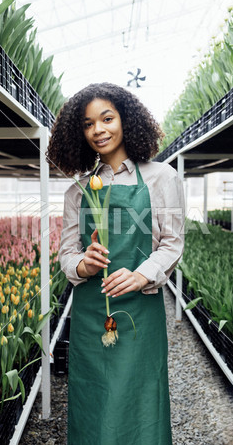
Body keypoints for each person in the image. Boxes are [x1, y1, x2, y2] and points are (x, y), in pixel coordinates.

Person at [46, 82, 185, 445]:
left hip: (140, 313)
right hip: (93, 316)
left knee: (141, 399)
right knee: (94, 401)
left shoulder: (161, 177)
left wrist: (141, 275)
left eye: (107, 119)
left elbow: (172, 243)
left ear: (127, 120)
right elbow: (66, 256)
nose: (98, 130)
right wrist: (85, 265)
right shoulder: (78, 191)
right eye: (88, 124)